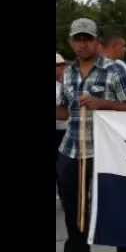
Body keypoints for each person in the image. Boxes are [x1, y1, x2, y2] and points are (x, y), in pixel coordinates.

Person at [55, 18, 126, 252]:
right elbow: (65, 111)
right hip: (72, 149)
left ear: (97, 42)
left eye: (88, 39)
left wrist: (101, 104)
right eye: (77, 39)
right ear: (71, 42)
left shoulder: (114, 69)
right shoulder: (68, 74)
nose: (83, 44)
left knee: (116, 209)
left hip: (106, 152)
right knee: (74, 212)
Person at [56, 53, 70, 205]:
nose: (60, 68)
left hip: (67, 131)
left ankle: (65, 196)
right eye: (57, 65)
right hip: (57, 131)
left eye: (61, 65)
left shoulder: (68, 83)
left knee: (63, 166)